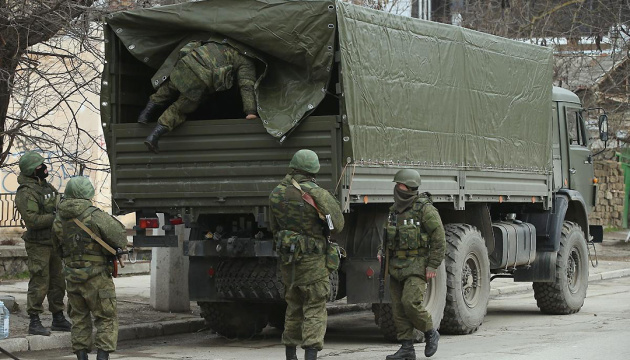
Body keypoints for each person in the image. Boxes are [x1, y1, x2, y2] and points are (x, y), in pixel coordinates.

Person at [268, 149, 345, 360]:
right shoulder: (317, 193)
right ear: (314, 170)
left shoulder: (276, 193)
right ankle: (310, 355)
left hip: (289, 262)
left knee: (293, 307)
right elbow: (338, 225)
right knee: (314, 308)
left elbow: (273, 227)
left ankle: (290, 354)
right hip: (314, 262)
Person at [51, 177, 127, 360]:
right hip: (97, 276)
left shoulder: (59, 219)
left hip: (72, 276)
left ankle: (82, 356)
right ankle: (102, 357)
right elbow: (119, 235)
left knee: (78, 319)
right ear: (87, 194)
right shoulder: (95, 215)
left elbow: (58, 248)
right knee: (106, 317)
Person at [139, 38, 259, 153]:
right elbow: (246, 86)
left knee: (168, 88)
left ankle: (144, 115)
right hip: (200, 78)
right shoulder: (245, 60)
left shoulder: (221, 40)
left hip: (187, 63)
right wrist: (251, 111)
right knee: (180, 108)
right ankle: (153, 136)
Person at [384, 169, 445, 359]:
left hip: (417, 265)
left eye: (399, 185)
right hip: (396, 265)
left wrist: (433, 265)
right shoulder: (394, 211)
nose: (396, 188)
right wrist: (381, 252)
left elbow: (439, 238)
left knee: (410, 302)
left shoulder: (425, 209)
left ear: (409, 188)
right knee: (398, 308)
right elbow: (387, 236)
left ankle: (430, 332)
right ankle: (407, 348)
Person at [15, 151, 71, 336]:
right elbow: (32, 220)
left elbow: (57, 203)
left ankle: (58, 318)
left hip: (53, 242)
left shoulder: (46, 187)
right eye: (40, 166)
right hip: (38, 244)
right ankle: (34, 321)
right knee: (40, 281)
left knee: (58, 281)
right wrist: (55, 217)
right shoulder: (26, 192)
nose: (45, 169)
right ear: (32, 171)